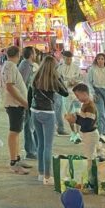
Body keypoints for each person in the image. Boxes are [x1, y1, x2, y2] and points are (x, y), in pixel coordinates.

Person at [28, 55, 68, 185]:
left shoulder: (35, 77)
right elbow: (65, 92)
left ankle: (40, 173)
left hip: (35, 111)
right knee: (48, 146)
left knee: (40, 144)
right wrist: (59, 77)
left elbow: (30, 95)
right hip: (47, 113)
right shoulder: (54, 79)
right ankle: (47, 176)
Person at [1, 46, 31, 175]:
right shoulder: (11, 66)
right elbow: (10, 87)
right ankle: (13, 162)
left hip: (15, 104)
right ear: (18, 54)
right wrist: (24, 102)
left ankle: (17, 158)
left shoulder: (8, 66)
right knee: (14, 132)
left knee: (17, 132)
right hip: (14, 104)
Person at [65, 84, 100, 163]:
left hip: (90, 134)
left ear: (84, 94)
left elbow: (88, 123)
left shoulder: (90, 107)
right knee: (90, 154)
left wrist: (75, 120)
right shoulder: (85, 104)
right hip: (88, 134)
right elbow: (84, 118)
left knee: (89, 157)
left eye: (78, 95)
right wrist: (76, 116)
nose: (77, 98)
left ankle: (90, 173)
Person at [87, 52, 105, 142]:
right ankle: (101, 132)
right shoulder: (92, 69)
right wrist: (92, 93)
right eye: (98, 58)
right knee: (101, 113)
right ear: (96, 60)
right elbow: (89, 82)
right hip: (97, 92)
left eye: (102, 59)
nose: (100, 60)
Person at [18, 46, 38, 159]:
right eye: (34, 52)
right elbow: (23, 84)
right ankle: (30, 150)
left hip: (29, 98)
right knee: (29, 126)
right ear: (31, 54)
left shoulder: (27, 65)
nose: (35, 55)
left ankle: (33, 148)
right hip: (27, 99)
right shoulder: (25, 65)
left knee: (31, 125)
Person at [56, 51, 82, 139]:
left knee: (78, 112)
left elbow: (80, 78)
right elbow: (58, 81)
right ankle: (73, 132)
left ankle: (78, 132)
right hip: (66, 94)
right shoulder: (59, 68)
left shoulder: (76, 67)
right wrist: (67, 83)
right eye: (67, 59)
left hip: (76, 93)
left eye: (70, 59)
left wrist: (75, 82)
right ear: (63, 58)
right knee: (69, 114)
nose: (69, 60)